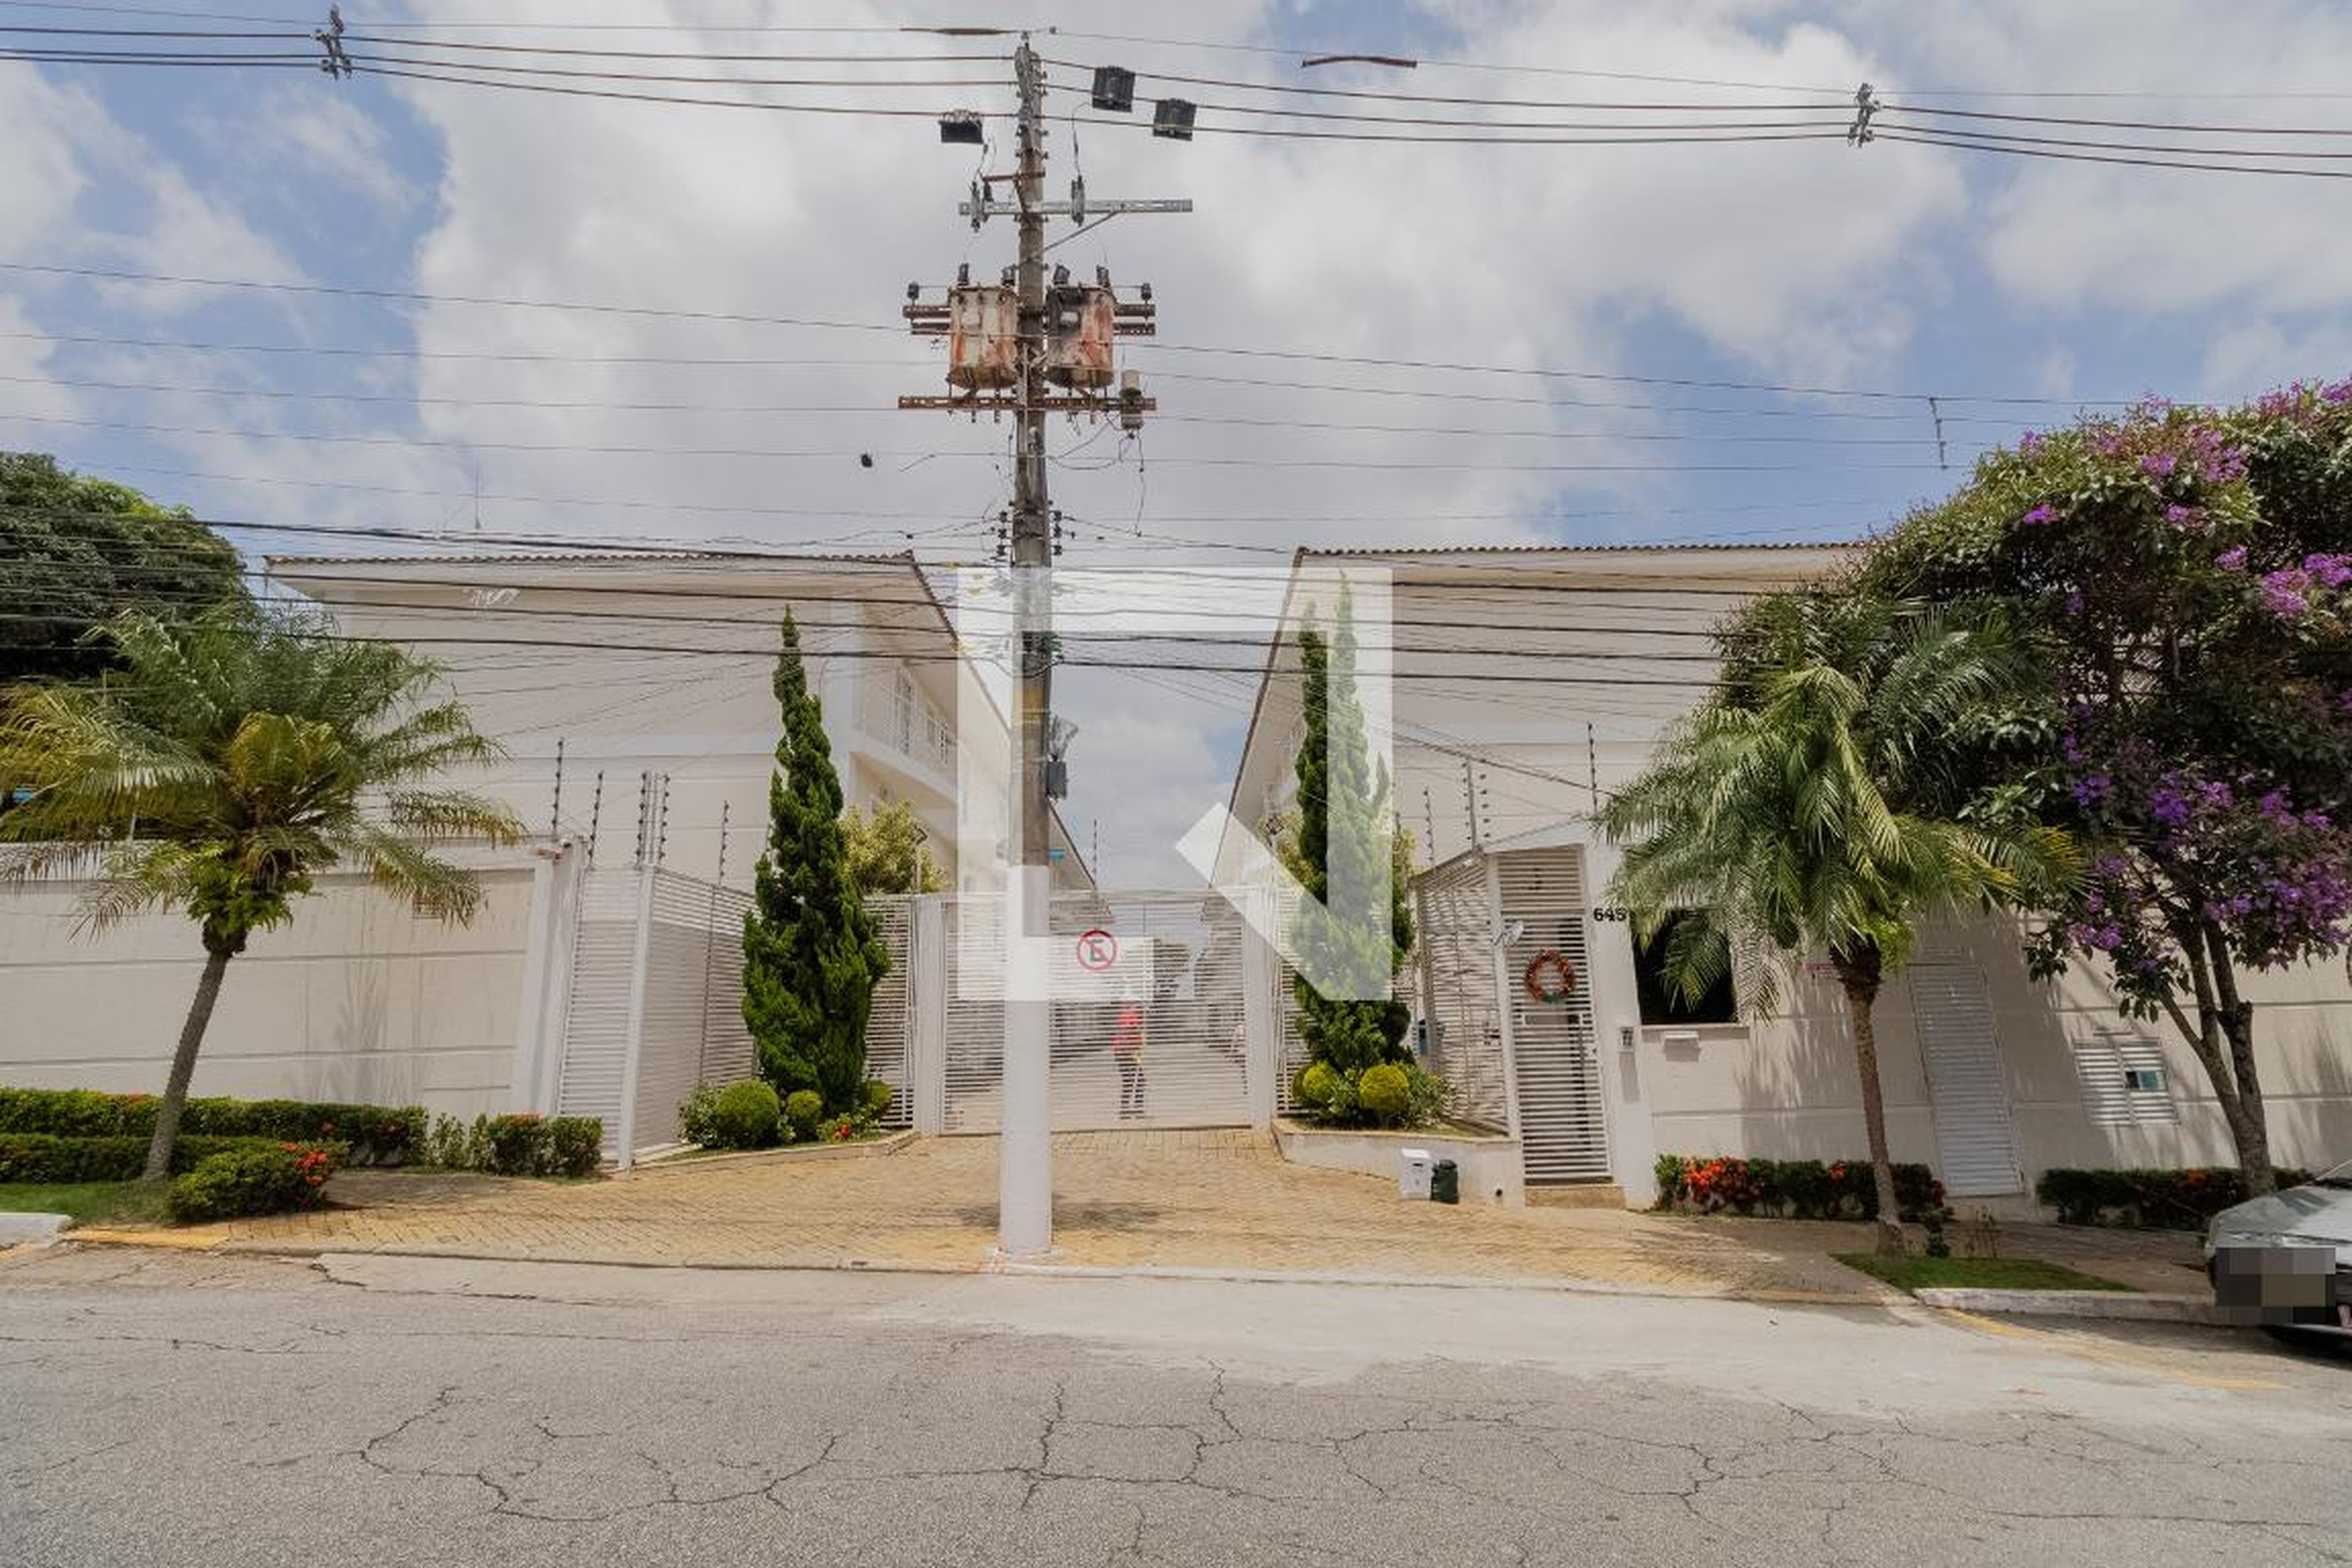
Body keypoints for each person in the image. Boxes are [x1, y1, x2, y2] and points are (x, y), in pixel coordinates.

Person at [1111, 989, 1146, 1120]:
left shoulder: (1129, 1015)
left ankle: (1127, 1110)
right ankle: (1135, 1110)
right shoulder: (1129, 1015)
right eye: (1137, 1003)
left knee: (1131, 1081)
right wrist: (1135, 1040)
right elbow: (1127, 1031)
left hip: (1124, 1052)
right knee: (1138, 1081)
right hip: (1126, 1053)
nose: (1139, 1005)